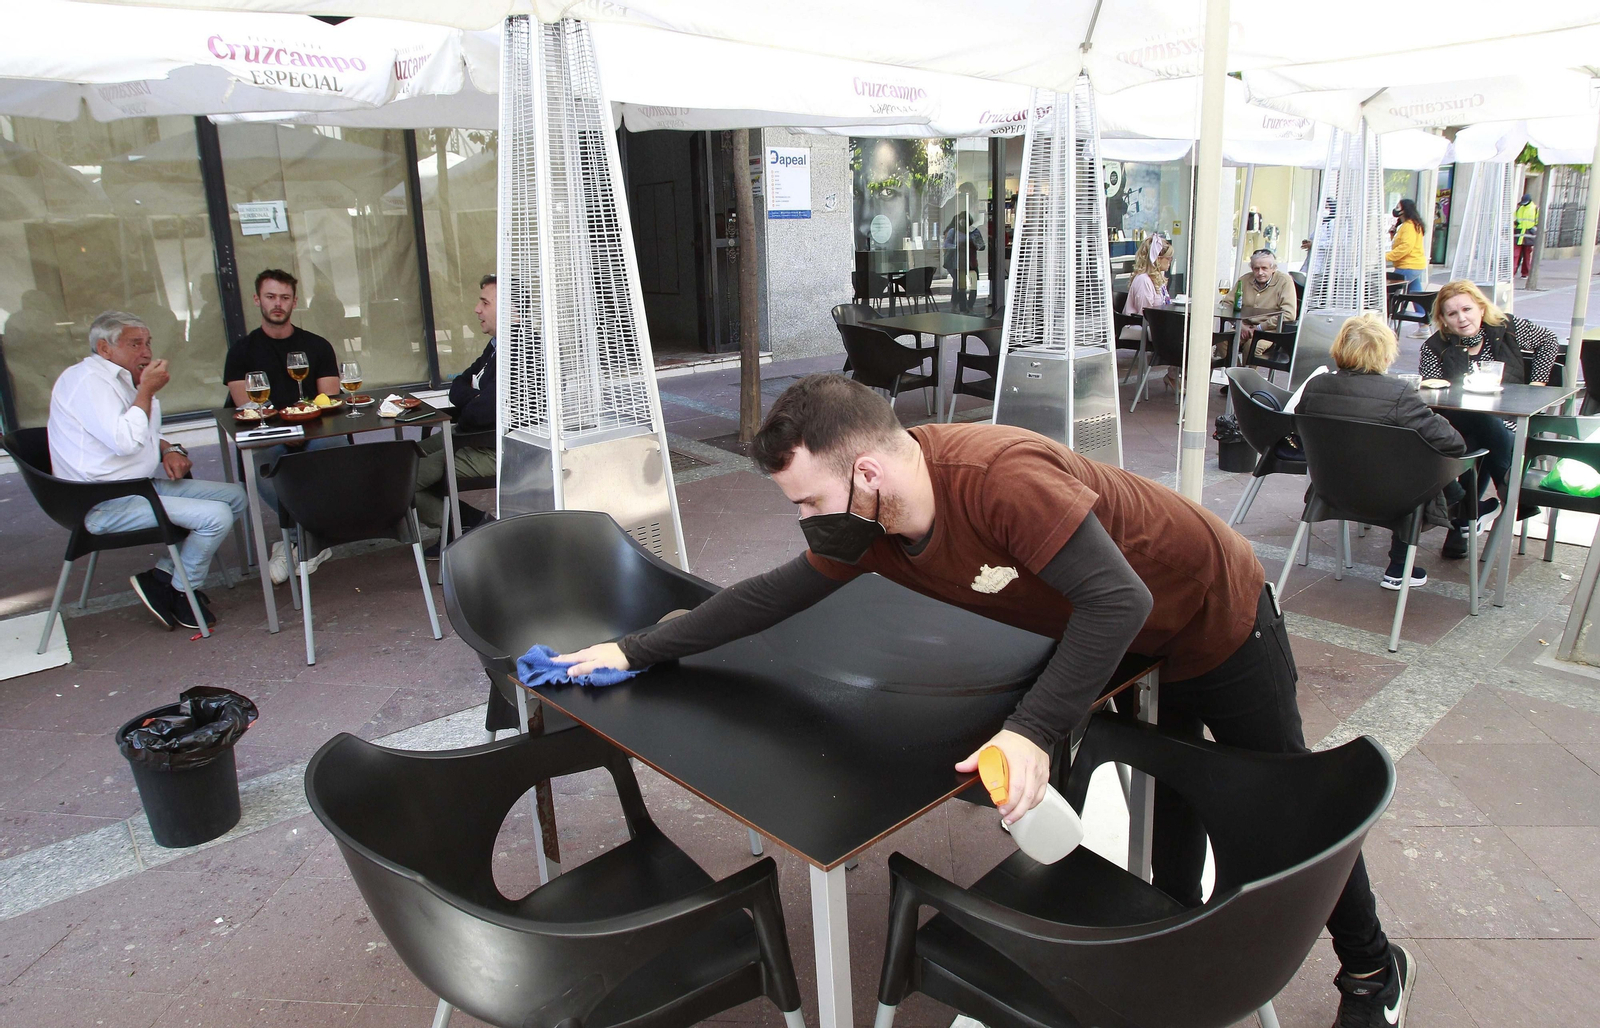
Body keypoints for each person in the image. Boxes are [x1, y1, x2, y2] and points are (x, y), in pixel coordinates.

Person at [558, 374, 1415, 1028]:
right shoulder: (870, 527)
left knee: (1278, 805)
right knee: (1178, 794)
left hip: (1212, 610)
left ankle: (1373, 968)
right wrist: (634, 649)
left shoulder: (996, 478)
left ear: (865, 471)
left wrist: (1035, 728)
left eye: (810, 502)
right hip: (1121, 638)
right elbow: (766, 596)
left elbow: (1120, 599)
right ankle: (1175, 941)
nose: (808, 523)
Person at [49, 311, 247, 631]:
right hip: (101, 501)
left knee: (236, 496)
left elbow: (141, 433)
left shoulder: (118, 377)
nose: (147, 352)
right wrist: (147, 392)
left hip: (134, 486)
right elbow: (126, 442)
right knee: (216, 516)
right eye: (135, 343)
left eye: (148, 343)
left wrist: (169, 448)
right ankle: (183, 590)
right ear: (104, 348)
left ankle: (162, 577)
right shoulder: (88, 382)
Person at [1298, 314, 1466, 590]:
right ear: (1385, 353)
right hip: (1390, 496)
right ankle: (1406, 560)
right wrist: (1438, 417)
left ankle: (1405, 561)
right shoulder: (1399, 393)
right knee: (1422, 465)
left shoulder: (1316, 387)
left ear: (1339, 348)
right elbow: (1454, 444)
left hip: (1329, 489)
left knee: (1401, 461)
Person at [1419, 280, 1560, 558]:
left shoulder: (1507, 328)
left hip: (1508, 418)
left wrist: (1538, 384)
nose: (1462, 318)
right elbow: (1431, 393)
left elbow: (1549, 340)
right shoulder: (1435, 346)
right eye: (1452, 314)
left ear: (1481, 307)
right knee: (1479, 431)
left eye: (1467, 309)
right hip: (1458, 421)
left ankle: (1462, 522)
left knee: (1482, 438)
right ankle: (1509, 492)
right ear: (1443, 320)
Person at [222, 269, 344, 584]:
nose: (278, 304)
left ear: (294, 302)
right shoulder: (241, 351)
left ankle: (293, 542)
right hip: (269, 433)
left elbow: (328, 400)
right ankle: (309, 540)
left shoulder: (316, 346)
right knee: (267, 457)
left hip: (315, 430)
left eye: (284, 298)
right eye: (271, 297)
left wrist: (302, 430)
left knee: (332, 447)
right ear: (257, 299)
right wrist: (286, 431)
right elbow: (246, 407)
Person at [419, 274, 499, 556]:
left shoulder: (522, 352)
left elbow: (480, 413)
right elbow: (457, 386)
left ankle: (464, 528)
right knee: (408, 454)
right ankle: (470, 523)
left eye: (484, 302)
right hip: (469, 437)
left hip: (494, 447)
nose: (477, 309)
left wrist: (472, 405)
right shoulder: (494, 348)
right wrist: (473, 400)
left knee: (404, 476)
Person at [1232, 249, 1299, 354]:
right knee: (1222, 341)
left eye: (1264, 268)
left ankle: (1245, 370)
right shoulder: (1244, 280)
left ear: (1273, 268)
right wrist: (1240, 326)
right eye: (1256, 269)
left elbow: (1289, 314)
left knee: (1252, 346)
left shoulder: (1284, 281)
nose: (1260, 273)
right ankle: (1238, 370)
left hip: (1269, 331)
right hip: (1244, 327)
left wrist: (1259, 327)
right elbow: (1226, 304)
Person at [1385, 200, 1429, 336]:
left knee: (1392, 295)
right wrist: (1393, 235)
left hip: (1408, 266)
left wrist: (1386, 257)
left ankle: (1387, 327)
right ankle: (1424, 327)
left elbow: (1405, 247)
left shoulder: (1409, 226)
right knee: (1415, 294)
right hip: (1415, 265)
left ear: (1405, 209)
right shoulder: (1412, 225)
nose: (1396, 209)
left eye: (1398, 206)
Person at [942, 212, 986, 313]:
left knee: (974, 285)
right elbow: (947, 244)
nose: (963, 221)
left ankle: (970, 305)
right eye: (961, 219)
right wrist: (957, 246)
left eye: (965, 219)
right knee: (960, 286)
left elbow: (981, 246)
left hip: (972, 262)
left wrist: (974, 242)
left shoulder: (974, 231)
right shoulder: (954, 231)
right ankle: (961, 307)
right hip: (959, 262)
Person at [1122, 234, 1171, 318]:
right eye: (1168, 258)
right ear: (1158, 259)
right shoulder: (1144, 280)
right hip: (1139, 327)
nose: (1170, 261)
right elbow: (1145, 314)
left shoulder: (1157, 277)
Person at [1514, 192, 1539, 278]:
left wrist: (1534, 230)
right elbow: (1515, 219)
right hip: (1519, 234)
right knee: (1515, 255)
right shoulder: (1519, 208)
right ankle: (1512, 273)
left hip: (1529, 235)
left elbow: (1538, 222)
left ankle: (1525, 273)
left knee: (1527, 256)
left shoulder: (1535, 209)